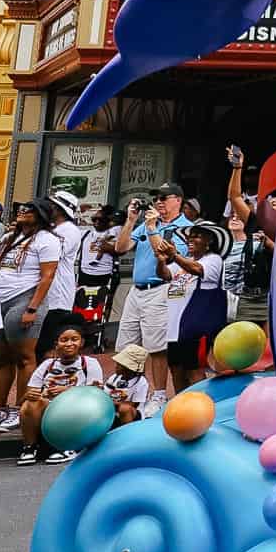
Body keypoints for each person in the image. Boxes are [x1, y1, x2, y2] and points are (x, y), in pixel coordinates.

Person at [0, 200, 61, 434]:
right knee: (2, 358)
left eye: (29, 210)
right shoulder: (8, 238)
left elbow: (47, 276)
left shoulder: (47, 240)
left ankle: (20, 407)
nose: (22, 212)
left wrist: (32, 309)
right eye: (21, 209)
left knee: (24, 357)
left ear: (41, 215)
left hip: (24, 298)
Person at [112, 182, 192, 417]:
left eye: (164, 197)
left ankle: (158, 394)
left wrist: (151, 226)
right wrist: (131, 220)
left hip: (162, 288)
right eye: (156, 198)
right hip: (136, 289)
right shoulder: (147, 224)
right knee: (127, 344)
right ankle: (130, 391)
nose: (158, 202)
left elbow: (166, 257)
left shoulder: (185, 227)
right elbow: (121, 247)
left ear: (178, 200)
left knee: (157, 346)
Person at [156, 221, 229, 393]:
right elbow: (165, 274)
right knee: (176, 369)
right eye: (190, 236)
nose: (190, 239)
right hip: (175, 326)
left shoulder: (213, 259)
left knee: (195, 369)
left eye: (197, 236)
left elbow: (197, 269)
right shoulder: (184, 261)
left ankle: (201, 405)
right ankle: (181, 405)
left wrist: (174, 256)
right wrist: (160, 261)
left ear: (209, 240)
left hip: (196, 325)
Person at [16, 325, 102, 465]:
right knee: (29, 404)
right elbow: (23, 399)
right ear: (56, 344)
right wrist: (33, 394)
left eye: (74, 339)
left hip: (77, 410)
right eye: (64, 340)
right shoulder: (47, 365)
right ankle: (29, 448)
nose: (69, 344)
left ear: (82, 343)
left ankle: (68, 447)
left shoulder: (89, 364)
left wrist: (68, 391)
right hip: (48, 411)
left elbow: (95, 395)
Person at [222, 147, 276, 330]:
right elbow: (235, 197)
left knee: (269, 345)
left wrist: (270, 245)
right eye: (268, 204)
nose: (272, 205)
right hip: (248, 294)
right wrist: (237, 168)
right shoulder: (255, 222)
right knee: (245, 343)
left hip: (274, 293)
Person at [38, 191, 89, 352]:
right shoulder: (51, 228)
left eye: (51, 205)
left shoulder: (70, 230)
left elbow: (52, 254)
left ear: (59, 209)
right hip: (44, 297)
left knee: (48, 347)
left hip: (57, 298)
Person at [102, 343, 151, 427]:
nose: (115, 366)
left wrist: (112, 403)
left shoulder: (141, 382)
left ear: (128, 368)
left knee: (125, 409)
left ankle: (127, 434)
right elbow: (105, 394)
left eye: (119, 365)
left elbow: (133, 405)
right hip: (113, 412)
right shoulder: (114, 378)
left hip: (132, 416)